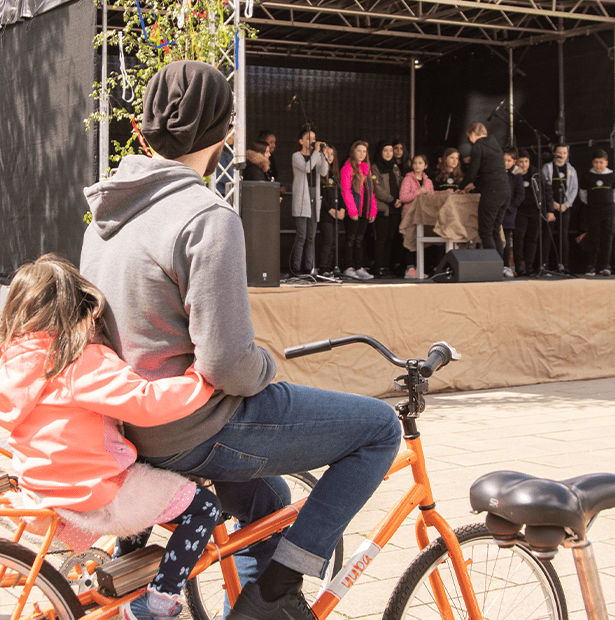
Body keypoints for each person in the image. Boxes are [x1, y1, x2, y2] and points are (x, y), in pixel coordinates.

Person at [80, 61, 401, 620]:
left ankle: (248, 608)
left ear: (142, 130)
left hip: (130, 428)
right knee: (379, 428)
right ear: (226, 133)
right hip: (197, 425)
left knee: (271, 500)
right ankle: (278, 588)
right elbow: (228, 363)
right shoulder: (206, 216)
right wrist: (266, 367)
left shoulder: (102, 219)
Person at [0, 253, 221, 620]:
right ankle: (159, 601)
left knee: (146, 501)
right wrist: (201, 381)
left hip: (43, 494)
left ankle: (120, 572)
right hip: (96, 496)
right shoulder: (76, 359)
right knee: (204, 508)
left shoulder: (12, 363)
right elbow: (145, 403)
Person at [463, 122, 511, 256]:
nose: (470, 141)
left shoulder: (479, 145)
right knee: (495, 229)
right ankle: (499, 267)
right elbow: (490, 170)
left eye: (469, 137)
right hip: (505, 190)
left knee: (486, 231)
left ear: (472, 134)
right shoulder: (495, 144)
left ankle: (493, 266)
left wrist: (460, 187)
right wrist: (476, 184)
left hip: (492, 191)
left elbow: (472, 172)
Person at [291, 127, 329, 275]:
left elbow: (324, 172)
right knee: (301, 235)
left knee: (311, 236)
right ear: (301, 141)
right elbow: (307, 168)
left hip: (315, 194)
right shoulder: (296, 156)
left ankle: (309, 267)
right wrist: (316, 154)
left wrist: (323, 155)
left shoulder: (316, 156)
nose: (312, 141)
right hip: (302, 197)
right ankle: (296, 267)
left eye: (314, 138)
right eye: (309, 138)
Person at [513, 149, 554, 277]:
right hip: (520, 211)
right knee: (519, 238)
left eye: (526, 161)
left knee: (532, 239)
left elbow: (547, 192)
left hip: (536, 210)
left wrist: (550, 210)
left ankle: (530, 267)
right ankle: (519, 267)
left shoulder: (537, 173)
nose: (523, 164)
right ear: (516, 162)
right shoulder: (514, 174)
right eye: (521, 162)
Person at [341, 140, 377, 280]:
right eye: (359, 151)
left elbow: (371, 192)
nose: (361, 154)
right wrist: (352, 210)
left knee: (360, 239)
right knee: (351, 238)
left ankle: (359, 267)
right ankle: (348, 267)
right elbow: (346, 190)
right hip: (354, 210)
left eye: (364, 151)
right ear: (353, 152)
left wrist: (372, 210)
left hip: (365, 210)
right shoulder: (347, 168)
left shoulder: (366, 168)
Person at [542, 143, 578, 272]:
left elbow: (574, 189)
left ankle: (564, 265)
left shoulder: (571, 170)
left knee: (563, 236)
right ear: (554, 153)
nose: (561, 155)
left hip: (564, 208)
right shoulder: (547, 168)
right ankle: (545, 264)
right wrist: (552, 204)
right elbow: (543, 187)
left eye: (564, 153)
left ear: (567, 154)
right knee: (548, 235)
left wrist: (566, 205)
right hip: (551, 207)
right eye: (559, 152)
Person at [579, 148, 615, 276]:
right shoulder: (587, 175)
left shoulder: (611, 175)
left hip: (609, 211)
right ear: (592, 163)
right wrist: (592, 204)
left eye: (601, 162)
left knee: (608, 238)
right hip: (593, 211)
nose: (598, 165)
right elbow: (583, 194)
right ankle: (591, 266)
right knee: (594, 238)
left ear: (606, 163)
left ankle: (606, 265)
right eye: (596, 162)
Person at [400, 154, 434, 279]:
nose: (417, 165)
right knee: (409, 240)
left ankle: (420, 268)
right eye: (415, 163)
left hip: (423, 215)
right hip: (410, 214)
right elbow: (403, 197)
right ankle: (410, 268)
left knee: (421, 241)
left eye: (420, 163)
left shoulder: (428, 181)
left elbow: (432, 197)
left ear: (425, 166)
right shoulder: (408, 179)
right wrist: (419, 192)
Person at [372, 140, 403, 278]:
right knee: (381, 238)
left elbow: (400, 183)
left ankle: (386, 266)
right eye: (386, 150)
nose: (389, 153)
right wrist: (392, 200)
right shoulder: (375, 167)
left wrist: (400, 200)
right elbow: (377, 189)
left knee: (391, 238)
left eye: (391, 150)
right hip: (383, 208)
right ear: (380, 152)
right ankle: (379, 267)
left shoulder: (395, 167)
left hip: (396, 208)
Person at [318, 145, 345, 277]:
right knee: (328, 241)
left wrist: (342, 209)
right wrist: (330, 210)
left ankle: (331, 267)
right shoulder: (319, 174)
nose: (330, 157)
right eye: (327, 154)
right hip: (325, 214)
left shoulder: (335, 175)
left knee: (334, 241)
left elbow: (340, 194)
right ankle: (323, 268)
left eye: (332, 154)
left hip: (336, 214)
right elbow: (320, 196)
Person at [502, 147, 525, 277]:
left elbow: (520, 194)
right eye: (503, 160)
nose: (505, 162)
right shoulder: (496, 173)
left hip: (508, 213)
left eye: (508, 160)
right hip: (495, 211)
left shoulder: (516, 176)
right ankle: (492, 264)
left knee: (505, 240)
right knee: (493, 238)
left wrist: (511, 207)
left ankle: (506, 266)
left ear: (514, 161)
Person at [216, 131, 234, 196]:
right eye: (232, 134)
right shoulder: (220, 153)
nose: (233, 138)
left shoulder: (227, 152)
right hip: (221, 191)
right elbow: (221, 174)